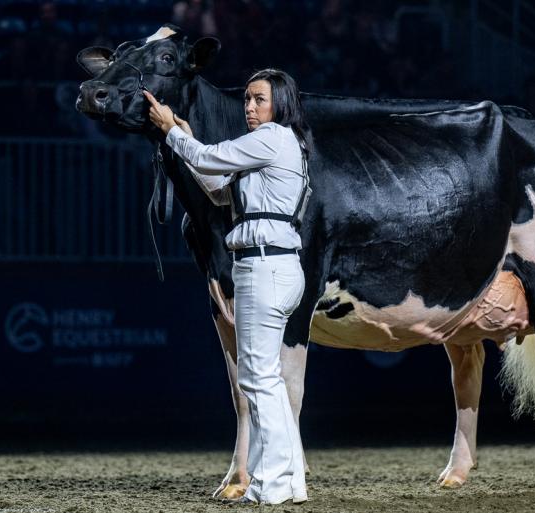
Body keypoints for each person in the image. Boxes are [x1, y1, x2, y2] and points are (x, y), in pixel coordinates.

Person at [144, 68, 311, 506]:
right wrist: (185, 134)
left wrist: (173, 133)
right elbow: (220, 190)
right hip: (275, 264)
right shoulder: (280, 145)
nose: (250, 107)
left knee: (256, 379)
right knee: (266, 378)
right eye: (248, 99)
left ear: (280, 104)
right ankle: (289, 480)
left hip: (264, 266)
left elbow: (211, 158)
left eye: (260, 99)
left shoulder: (273, 137)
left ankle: (270, 482)